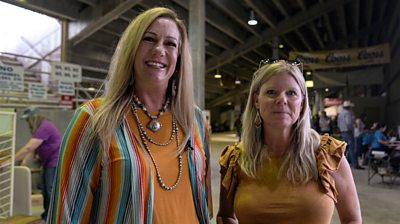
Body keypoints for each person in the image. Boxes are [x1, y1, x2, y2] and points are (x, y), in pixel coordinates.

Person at [47, 7, 212, 223]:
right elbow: (66, 216)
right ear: (131, 50)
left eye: (170, 43)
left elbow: (205, 203)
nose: (159, 50)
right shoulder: (94, 119)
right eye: (149, 39)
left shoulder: (195, 120)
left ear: (179, 58)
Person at [217, 60, 361, 224]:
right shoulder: (235, 160)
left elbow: (352, 219)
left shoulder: (328, 155)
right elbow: (226, 216)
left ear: (301, 104)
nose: (282, 100)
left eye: (291, 93)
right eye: (271, 92)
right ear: (257, 101)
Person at [9, 106, 60, 223]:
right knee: (45, 189)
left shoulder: (44, 126)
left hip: (54, 161)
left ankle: (50, 217)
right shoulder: (40, 128)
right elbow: (32, 150)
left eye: (28, 120)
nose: (27, 123)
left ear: (33, 118)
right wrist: (24, 160)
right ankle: (46, 215)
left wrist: (11, 160)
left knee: (49, 190)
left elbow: (29, 147)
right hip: (47, 162)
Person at [337, 100, 363, 169]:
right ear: (349, 107)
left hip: (343, 132)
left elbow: (338, 124)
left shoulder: (341, 113)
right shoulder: (348, 113)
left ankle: (343, 164)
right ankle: (354, 164)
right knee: (352, 149)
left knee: (344, 149)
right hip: (348, 132)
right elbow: (349, 123)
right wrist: (352, 129)